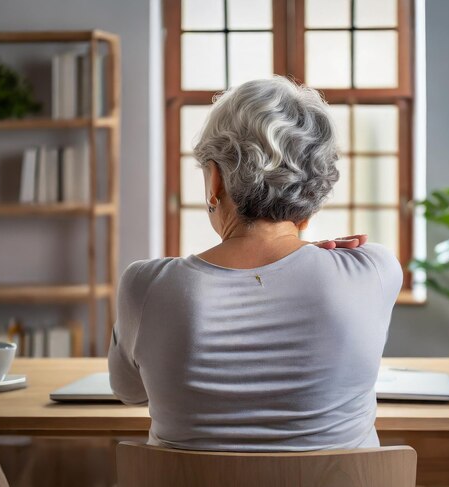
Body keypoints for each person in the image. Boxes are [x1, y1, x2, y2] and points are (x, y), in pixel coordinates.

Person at [108, 77, 402, 451]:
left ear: (215, 181)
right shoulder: (374, 270)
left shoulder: (146, 285)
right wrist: (305, 252)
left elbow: (129, 393)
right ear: (316, 188)